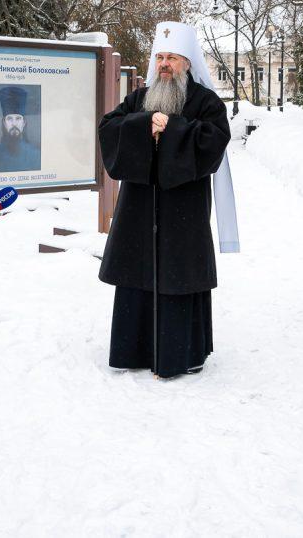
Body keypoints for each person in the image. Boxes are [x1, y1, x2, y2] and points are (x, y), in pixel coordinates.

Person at [98, 21, 235, 379]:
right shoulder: (140, 99)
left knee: (180, 276)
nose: (164, 65)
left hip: (183, 212)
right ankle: (135, 350)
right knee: (137, 275)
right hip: (139, 210)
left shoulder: (206, 102)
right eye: (160, 57)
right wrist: (143, 126)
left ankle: (181, 353)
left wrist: (171, 131)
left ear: (187, 62)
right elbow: (109, 127)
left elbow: (214, 141)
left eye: (172, 58)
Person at [0, 86, 41, 172]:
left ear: (24, 123)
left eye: (18, 118)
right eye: (9, 119)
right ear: (4, 123)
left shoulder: (36, 155)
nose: (14, 123)